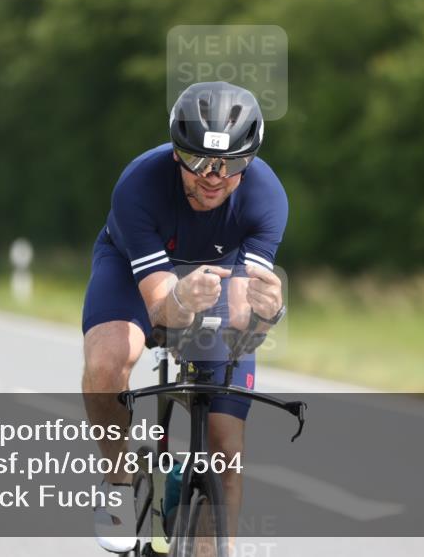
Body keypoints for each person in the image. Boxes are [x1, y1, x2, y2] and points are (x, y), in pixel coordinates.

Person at [81, 82, 288, 554]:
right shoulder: (139, 185)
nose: (213, 176)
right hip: (134, 269)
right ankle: (118, 480)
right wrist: (180, 299)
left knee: (226, 451)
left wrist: (271, 310)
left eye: (231, 164)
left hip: (219, 273)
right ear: (176, 153)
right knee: (108, 361)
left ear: (249, 160)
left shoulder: (266, 197)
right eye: (198, 161)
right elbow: (161, 310)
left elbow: (245, 319)